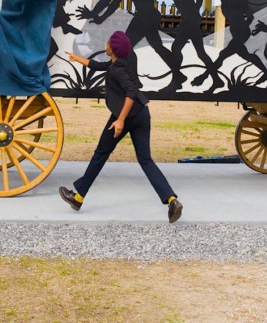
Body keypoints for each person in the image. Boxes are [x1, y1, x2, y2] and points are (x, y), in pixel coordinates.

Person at [60, 31, 183, 223]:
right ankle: (172, 199)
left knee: (100, 153)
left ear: (114, 49)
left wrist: (120, 120)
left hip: (124, 115)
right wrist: (78, 59)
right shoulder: (124, 60)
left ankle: (78, 197)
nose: (106, 44)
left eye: (109, 42)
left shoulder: (118, 69)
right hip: (142, 113)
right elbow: (100, 66)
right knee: (146, 160)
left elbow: (130, 92)